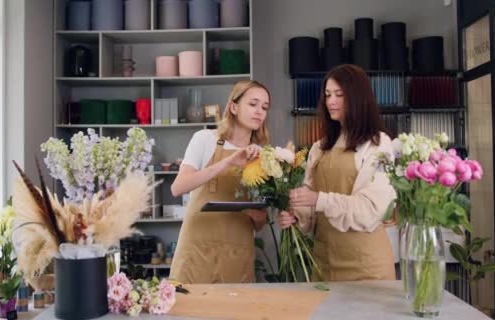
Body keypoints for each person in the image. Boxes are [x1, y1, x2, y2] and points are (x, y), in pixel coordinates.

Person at [279, 64, 396, 281]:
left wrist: (319, 199)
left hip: (366, 266)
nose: (331, 101)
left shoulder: (377, 144)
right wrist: (297, 216)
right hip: (324, 262)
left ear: (358, 97)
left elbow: (370, 210)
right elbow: (311, 208)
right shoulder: (319, 147)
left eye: (339, 95)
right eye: (327, 95)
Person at [169, 80, 271, 284]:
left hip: (237, 252)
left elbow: (259, 224)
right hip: (197, 249)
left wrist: (257, 215)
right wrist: (228, 161)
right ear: (234, 107)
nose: (259, 111)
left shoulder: (263, 155)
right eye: (253, 104)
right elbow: (178, 187)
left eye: (264, 107)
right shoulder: (205, 139)